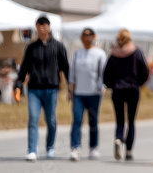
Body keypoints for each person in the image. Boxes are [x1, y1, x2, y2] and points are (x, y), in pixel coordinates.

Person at [17, 15, 70, 161]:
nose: (42, 27)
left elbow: (65, 67)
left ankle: (50, 147)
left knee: (51, 119)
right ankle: (32, 150)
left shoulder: (58, 46)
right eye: (39, 24)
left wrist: (70, 86)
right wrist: (18, 85)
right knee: (33, 118)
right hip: (34, 89)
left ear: (49, 27)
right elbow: (24, 68)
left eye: (44, 24)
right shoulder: (31, 47)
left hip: (52, 89)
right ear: (36, 27)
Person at [103, 28, 149, 161]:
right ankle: (128, 151)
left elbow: (106, 75)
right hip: (133, 89)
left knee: (120, 120)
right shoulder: (137, 52)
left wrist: (112, 85)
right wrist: (138, 83)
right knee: (131, 120)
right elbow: (145, 72)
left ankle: (118, 138)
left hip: (118, 89)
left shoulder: (114, 54)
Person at [68, 27, 107, 161]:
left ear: (93, 37)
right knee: (77, 120)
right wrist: (70, 89)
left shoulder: (99, 54)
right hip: (79, 93)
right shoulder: (77, 54)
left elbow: (103, 73)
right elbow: (72, 74)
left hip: (94, 93)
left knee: (93, 121)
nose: (86, 39)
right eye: (84, 36)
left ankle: (93, 147)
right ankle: (75, 147)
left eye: (89, 36)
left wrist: (101, 86)